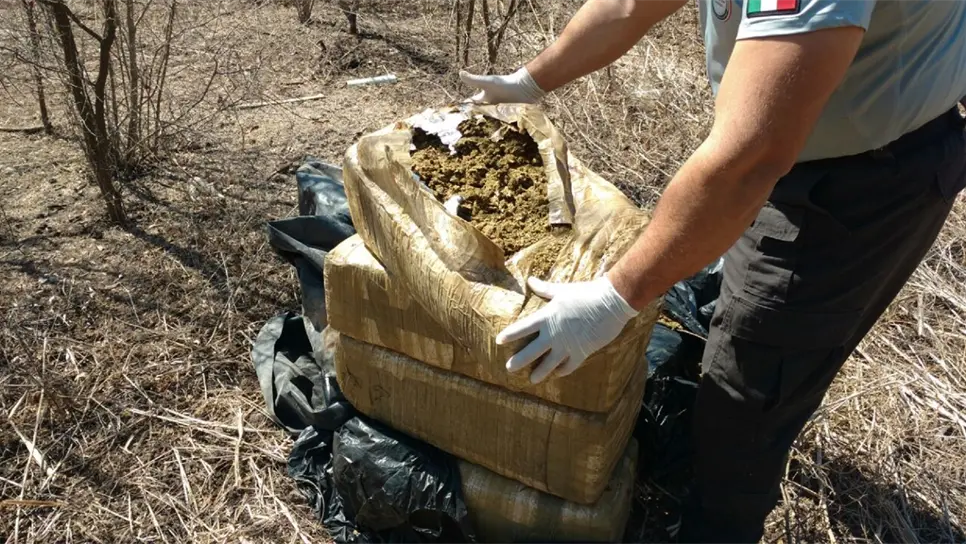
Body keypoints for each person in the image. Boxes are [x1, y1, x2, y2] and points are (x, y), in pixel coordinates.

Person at [459, 0, 966, 542]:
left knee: (748, 394)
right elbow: (630, 7)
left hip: (859, 181)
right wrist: (528, 82)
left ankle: (717, 523)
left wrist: (614, 298)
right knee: (732, 328)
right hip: (792, 143)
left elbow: (749, 159)